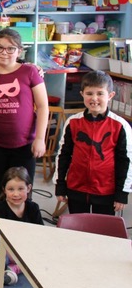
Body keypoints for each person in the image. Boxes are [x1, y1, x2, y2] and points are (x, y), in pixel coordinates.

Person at [0, 29, 48, 209]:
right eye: (0, 48)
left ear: (19, 51)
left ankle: (21, 230)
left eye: (10, 49)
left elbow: (42, 106)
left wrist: (40, 139)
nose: (4, 52)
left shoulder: (30, 72)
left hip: (25, 144)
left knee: (23, 189)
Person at [54, 70, 132, 215]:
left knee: (101, 230)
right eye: (89, 93)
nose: (94, 98)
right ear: (82, 94)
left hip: (105, 191)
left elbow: (126, 161)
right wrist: (60, 185)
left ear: (110, 96)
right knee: (79, 228)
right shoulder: (73, 122)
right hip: (76, 189)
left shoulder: (121, 126)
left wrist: (122, 193)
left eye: (100, 93)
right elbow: (63, 155)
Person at [0, 167, 43, 277]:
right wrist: (12, 255)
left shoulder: (33, 208)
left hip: (27, 247)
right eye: (11, 189)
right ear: (4, 189)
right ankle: (20, 266)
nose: (16, 194)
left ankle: (16, 268)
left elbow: (40, 233)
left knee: (45, 253)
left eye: (20, 189)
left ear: (28, 188)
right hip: (6, 249)